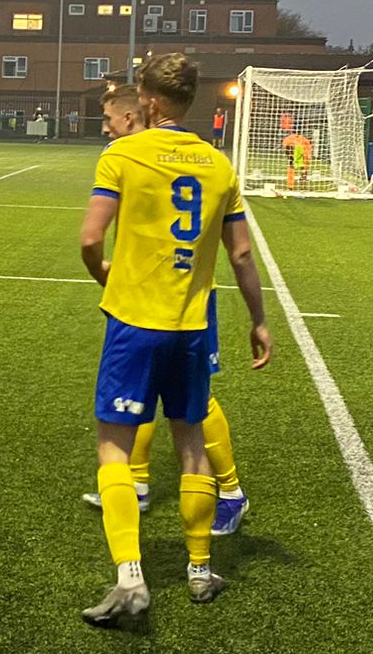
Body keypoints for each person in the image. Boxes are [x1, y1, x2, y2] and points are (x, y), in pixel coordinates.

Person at [79, 53, 272, 626]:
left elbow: (91, 238)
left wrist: (107, 275)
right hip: (192, 327)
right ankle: (198, 568)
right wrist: (259, 321)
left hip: (134, 323)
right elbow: (240, 254)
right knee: (190, 447)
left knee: (113, 447)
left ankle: (130, 576)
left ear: (150, 100)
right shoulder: (218, 166)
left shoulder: (123, 154)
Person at [80, 83, 250, 535]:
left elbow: (94, 236)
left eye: (110, 122)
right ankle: (135, 481)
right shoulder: (159, 156)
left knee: (195, 402)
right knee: (149, 393)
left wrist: (107, 273)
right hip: (157, 294)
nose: (107, 131)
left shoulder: (136, 155)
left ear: (136, 115)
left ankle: (231, 491)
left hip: (188, 296)